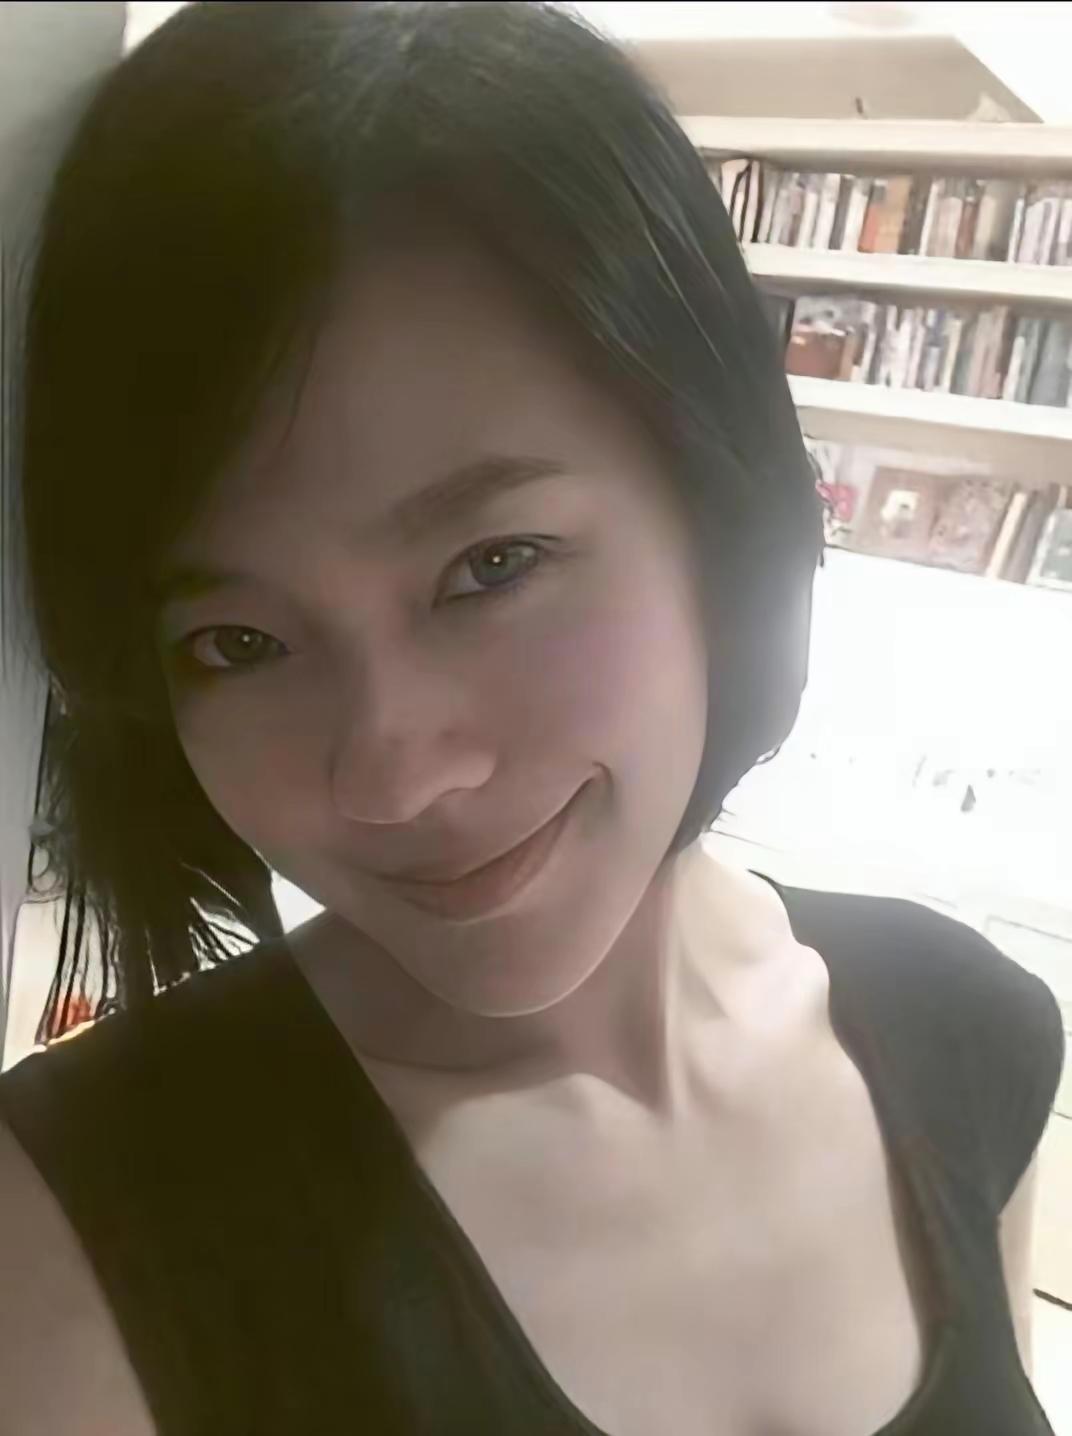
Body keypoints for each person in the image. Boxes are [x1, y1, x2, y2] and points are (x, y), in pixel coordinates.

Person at [0, 5, 1063, 1434]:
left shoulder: (970, 1029)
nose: (393, 775)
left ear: (714, 495)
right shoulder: (74, 1232)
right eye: (238, 643)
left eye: (491, 566)